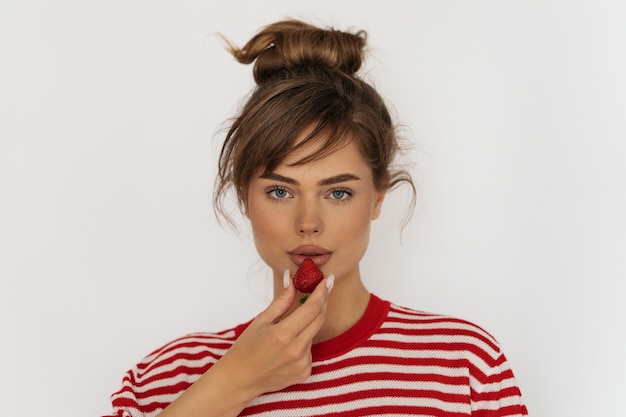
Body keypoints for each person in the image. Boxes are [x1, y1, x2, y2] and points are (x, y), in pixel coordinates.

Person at [104, 19, 528, 417]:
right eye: (280, 191)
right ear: (244, 198)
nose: (309, 222)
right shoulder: (164, 380)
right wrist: (235, 381)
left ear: (377, 198)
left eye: (338, 192)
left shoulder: (463, 365)